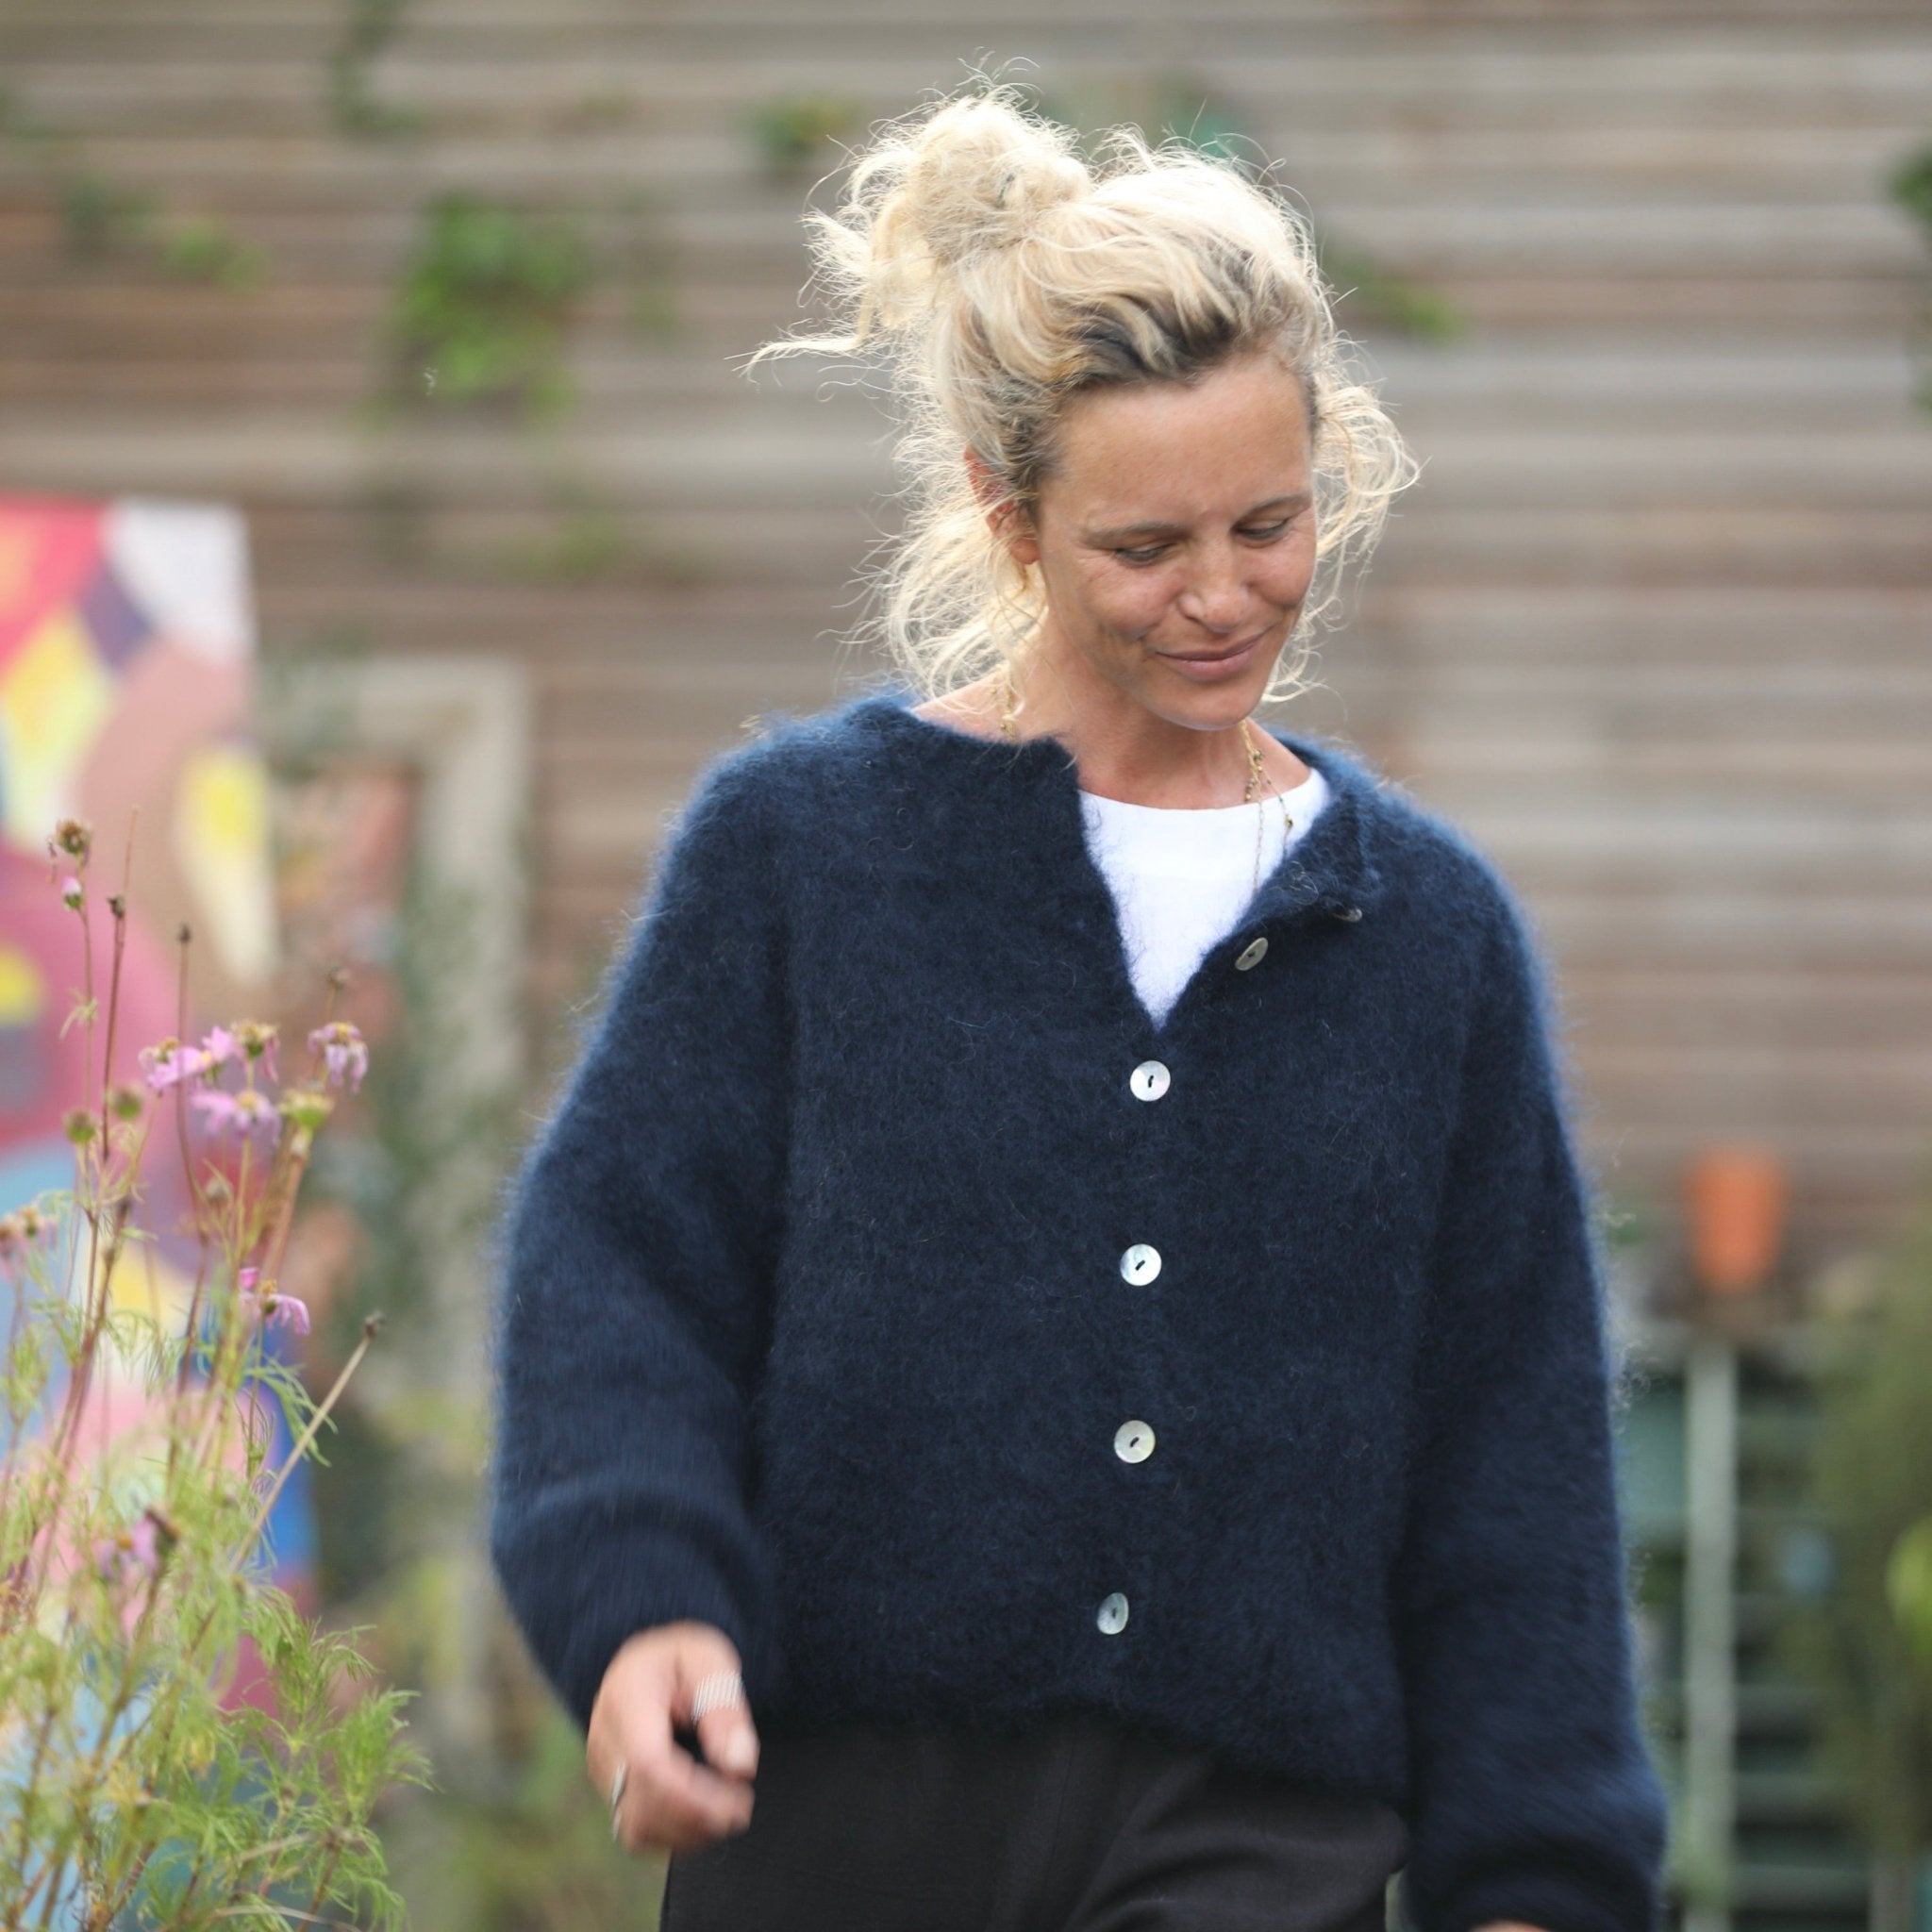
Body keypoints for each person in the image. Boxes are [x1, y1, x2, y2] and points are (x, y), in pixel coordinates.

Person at [488, 82, 1671, 1932]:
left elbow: (1511, 1458)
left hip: (1256, 1833)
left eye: (1269, 523)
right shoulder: (802, 854)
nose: (1221, 597)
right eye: (1144, 547)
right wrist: (640, 1600)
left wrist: (1535, 1879)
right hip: (832, 1826)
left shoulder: (1425, 939)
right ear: (1006, 507)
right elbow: (621, 1263)